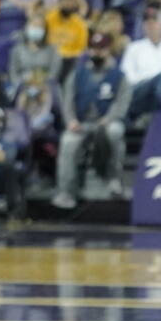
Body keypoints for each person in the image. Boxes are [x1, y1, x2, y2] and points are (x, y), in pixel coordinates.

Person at [53, 33, 131, 209]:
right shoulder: (78, 73)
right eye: (94, 49)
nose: (97, 52)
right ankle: (66, 192)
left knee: (115, 132)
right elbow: (68, 100)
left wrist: (108, 118)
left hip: (107, 121)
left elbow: (122, 102)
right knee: (68, 141)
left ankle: (114, 180)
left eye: (101, 49)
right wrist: (71, 120)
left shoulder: (119, 75)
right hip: (82, 122)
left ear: (108, 50)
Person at [121, 6, 161, 122]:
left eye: (155, 21)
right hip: (139, 91)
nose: (151, 25)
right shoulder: (134, 47)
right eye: (147, 22)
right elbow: (127, 78)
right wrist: (151, 81)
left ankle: (155, 117)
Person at [45, 0, 90, 79]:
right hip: (49, 58)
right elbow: (43, 40)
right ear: (59, 2)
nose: (68, 4)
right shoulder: (49, 18)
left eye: (71, 1)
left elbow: (81, 48)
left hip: (70, 61)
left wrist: (66, 54)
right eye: (65, 1)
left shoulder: (80, 24)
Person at [9, 13, 61, 86]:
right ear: (27, 27)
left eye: (40, 26)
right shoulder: (17, 50)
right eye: (34, 25)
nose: (36, 28)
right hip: (22, 86)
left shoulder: (52, 50)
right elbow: (13, 74)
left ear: (45, 30)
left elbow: (54, 74)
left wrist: (40, 83)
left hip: (46, 87)